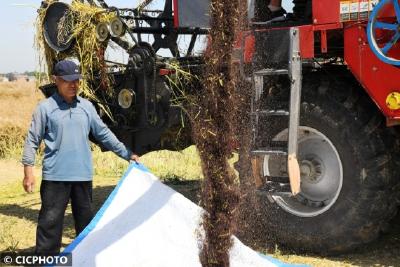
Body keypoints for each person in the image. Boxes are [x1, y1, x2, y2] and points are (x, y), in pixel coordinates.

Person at [22, 60, 140, 254]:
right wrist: (28, 171)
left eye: (76, 80)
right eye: (68, 80)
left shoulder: (86, 107)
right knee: (49, 229)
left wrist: (127, 154)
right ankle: (46, 262)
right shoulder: (45, 108)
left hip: (83, 178)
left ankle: (84, 261)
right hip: (55, 178)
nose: (73, 84)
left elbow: (104, 134)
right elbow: (32, 141)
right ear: (56, 80)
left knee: (85, 229)